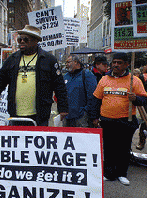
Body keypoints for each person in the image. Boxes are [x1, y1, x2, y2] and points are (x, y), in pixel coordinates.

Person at [0, 25, 69, 126]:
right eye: (20, 39)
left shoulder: (49, 60)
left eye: (26, 39)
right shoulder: (12, 59)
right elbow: (1, 78)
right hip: (15, 114)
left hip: (40, 115)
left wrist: (63, 108)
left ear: (35, 41)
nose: (22, 42)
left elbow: (59, 86)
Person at [91, 53, 147, 186]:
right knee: (109, 148)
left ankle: (122, 173)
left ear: (127, 64)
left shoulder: (134, 80)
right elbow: (96, 100)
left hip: (125, 121)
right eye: (114, 62)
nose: (115, 65)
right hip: (107, 120)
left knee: (123, 148)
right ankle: (109, 173)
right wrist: (94, 117)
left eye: (119, 62)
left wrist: (136, 99)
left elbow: (144, 99)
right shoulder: (104, 79)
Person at [63, 55, 97, 127]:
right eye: (66, 63)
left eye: (68, 62)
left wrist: (85, 111)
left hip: (81, 117)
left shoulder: (86, 74)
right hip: (67, 116)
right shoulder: (66, 76)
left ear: (76, 62)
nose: (66, 65)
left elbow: (92, 95)